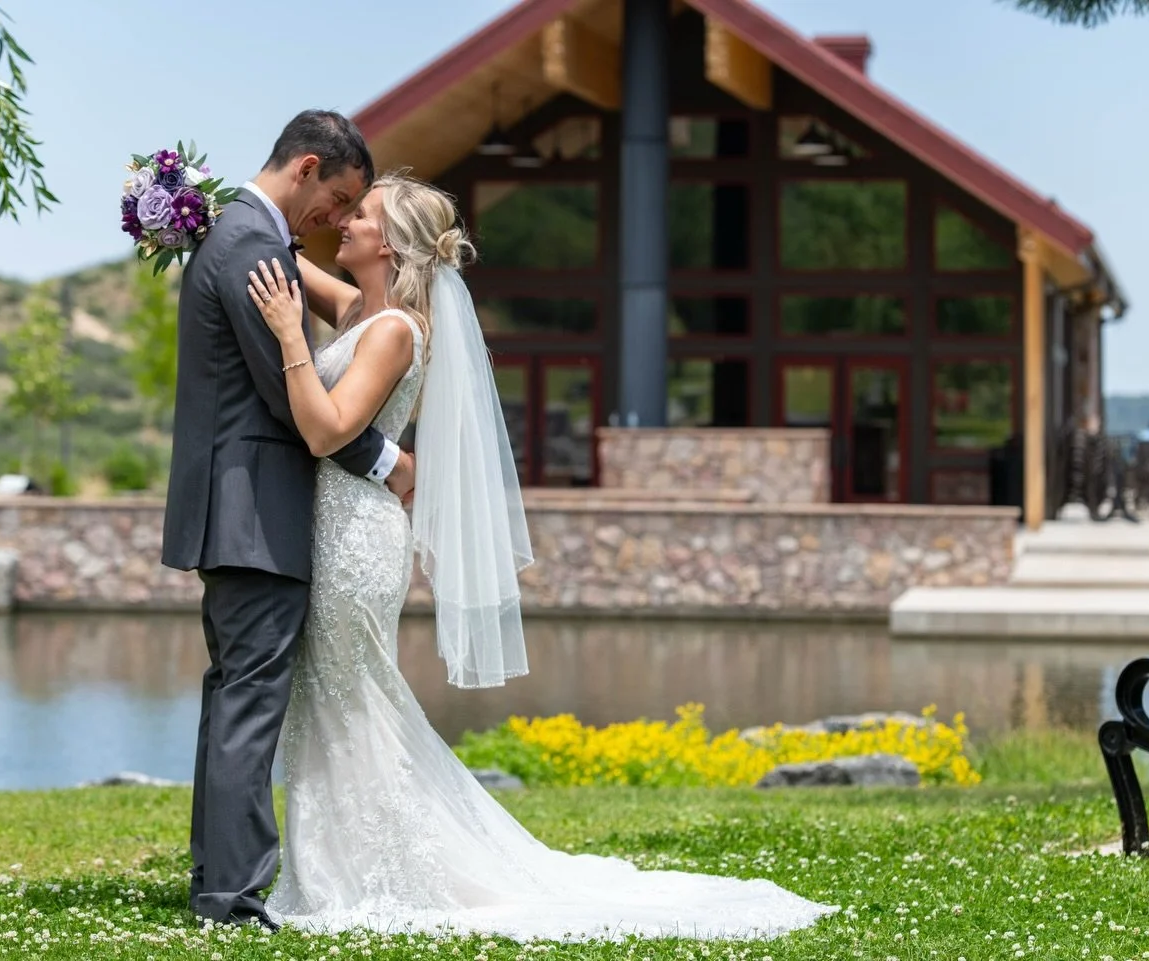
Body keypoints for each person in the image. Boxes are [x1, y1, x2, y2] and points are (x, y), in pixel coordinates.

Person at [242, 172, 836, 941]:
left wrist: (291, 337)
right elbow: (285, 264)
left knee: (352, 698)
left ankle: (383, 865)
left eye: (359, 215)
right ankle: (343, 859)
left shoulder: (394, 331)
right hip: (331, 525)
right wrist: (199, 214)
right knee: (332, 699)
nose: (344, 223)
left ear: (387, 243)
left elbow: (325, 432)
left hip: (355, 536)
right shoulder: (364, 308)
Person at [160, 111, 415, 932]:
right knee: (249, 701)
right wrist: (392, 465)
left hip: (241, 511)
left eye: (353, 214)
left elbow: (352, 320)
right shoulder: (252, 248)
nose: (338, 220)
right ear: (306, 167)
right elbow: (301, 407)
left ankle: (216, 881)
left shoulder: (245, 238)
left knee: (232, 696)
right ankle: (232, 897)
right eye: (338, 199)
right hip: (256, 516)